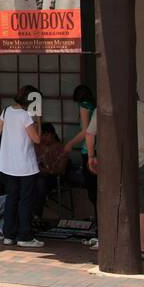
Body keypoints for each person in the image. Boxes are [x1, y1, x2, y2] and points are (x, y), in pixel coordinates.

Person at [86, 98, 144, 262]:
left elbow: (90, 132)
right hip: (137, 162)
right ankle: (142, 248)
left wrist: (91, 156)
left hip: (109, 162)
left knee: (110, 202)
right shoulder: (141, 107)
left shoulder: (103, 106)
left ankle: (108, 244)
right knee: (141, 206)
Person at [0, 84, 44, 248]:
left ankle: (8, 235)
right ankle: (25, 235)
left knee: (12, 199)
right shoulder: (25, 116)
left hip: (8, 164)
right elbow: (37, 139)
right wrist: (38, 120)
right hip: (24, 165)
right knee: (25, 201)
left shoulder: (6, 111)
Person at [63, 84, 97, 217]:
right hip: (99, 148)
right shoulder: (95, 106)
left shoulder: (84, 106)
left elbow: (85, 131)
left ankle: (99, 223)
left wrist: (70, 144)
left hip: (88, 150)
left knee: (92, 188)